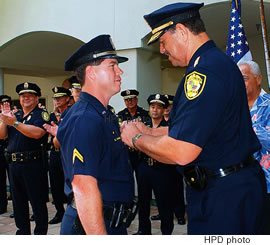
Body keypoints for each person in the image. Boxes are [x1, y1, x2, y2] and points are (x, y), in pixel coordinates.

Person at [120, 2, 267, 235]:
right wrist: (149, 132)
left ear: (181, 31)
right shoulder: (215, 63)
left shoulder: (203, 73)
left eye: (163, 41)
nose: (161, 50)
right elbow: (191, 130)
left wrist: (136, 138)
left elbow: (182, 150)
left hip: (224, 198)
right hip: (230, 189)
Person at [56, 34, 134, 235]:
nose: (120, 71)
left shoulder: (102, 114)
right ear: (91, 73)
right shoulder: (84, 118)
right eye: (112, 65)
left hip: (110, 220)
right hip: (92, 225)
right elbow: (83, 188)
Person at [0, 82, 49, 235]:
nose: (26, 98)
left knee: (37, 202)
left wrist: (14, 123)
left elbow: (37, 133)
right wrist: (4, 120)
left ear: (36, 98)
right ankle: (23, 232)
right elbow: (2, 135)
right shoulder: (17, 115)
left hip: (33, 164)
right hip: (14, 165)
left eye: (30, 95)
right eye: (23, 96)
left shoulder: (40, 114)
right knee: (18, 202)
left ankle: (40, 233)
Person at [134, 93, 175, 235]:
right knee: (143, 202)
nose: (155, 110)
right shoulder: (142, 125)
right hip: (144, 167)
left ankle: (166, 232)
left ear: (164, 110)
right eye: (152, 107)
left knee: (164, 203)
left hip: (162, 169)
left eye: (159, 107)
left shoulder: (170, 127)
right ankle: (144, 230)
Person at [238, 60, 270, 234]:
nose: (239, 83)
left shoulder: (268, 105)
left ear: (258, 79)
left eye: (244, 78)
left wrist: (247, 130)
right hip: (240, 184)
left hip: (266, 185)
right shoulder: (234, 108)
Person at [151, 94, 186, 225]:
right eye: (164, 106)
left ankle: (180, 214)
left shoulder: (177, 120)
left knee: (176, 190)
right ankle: (164, 213)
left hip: (173, 161)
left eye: (169, 106)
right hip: (161, 163)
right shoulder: (157, 122)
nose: (166, 108)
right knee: (162, 192)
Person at [47, 87, 71, 225]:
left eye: (60, 98)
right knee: (55, 184)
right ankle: (59, 211)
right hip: (55, 154)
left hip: (67, 153)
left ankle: (70, 212)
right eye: (55, 98)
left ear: (67, 99)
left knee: (69, 184)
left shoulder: (70, 113)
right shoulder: (51, 116)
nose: (57, 101)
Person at [118, 90, 150, 176]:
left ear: (136, 100)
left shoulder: (145, 114)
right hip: (127, 154)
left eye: (132, 99)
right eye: (127, 100)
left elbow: (149, 132)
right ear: (124, 102)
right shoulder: (120, 115)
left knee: (143, 183)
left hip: (142, 154)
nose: (130, 102)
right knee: (127, 181)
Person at [0, 95, 11, 214]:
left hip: (9, 148)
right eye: (3, 103)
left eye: (7, 103)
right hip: (0, 149)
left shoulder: (12, 116)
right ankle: (2, 205)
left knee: (13, 178)